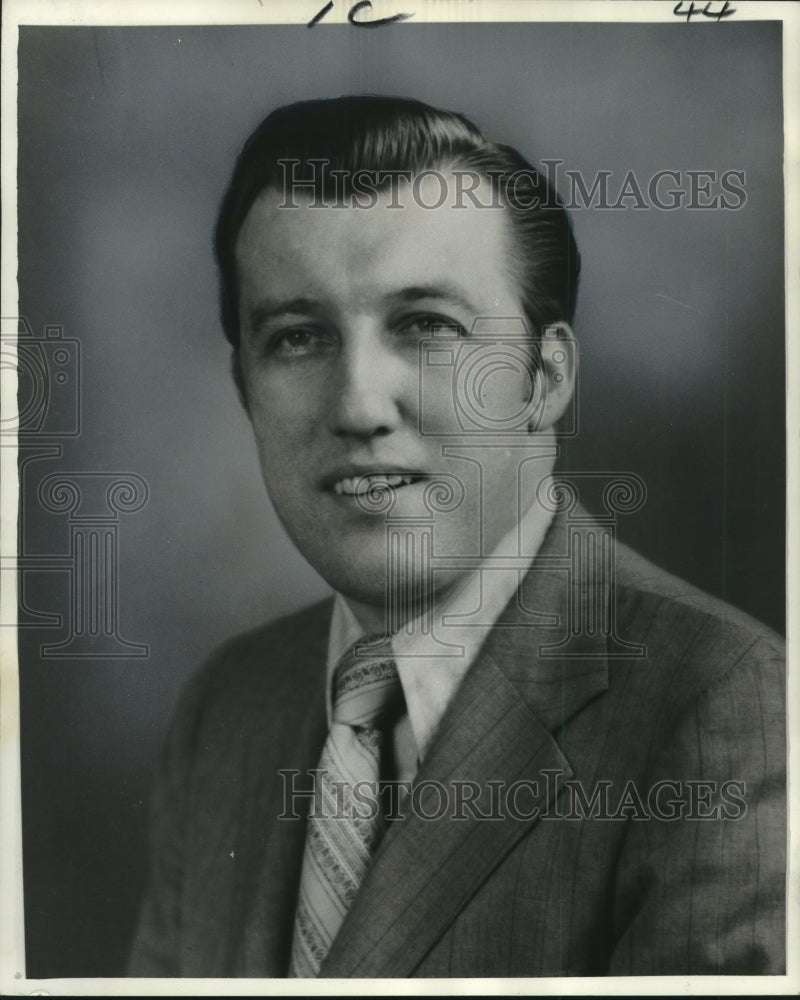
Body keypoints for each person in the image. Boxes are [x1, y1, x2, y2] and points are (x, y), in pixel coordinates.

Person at [128, 96, 785, 978]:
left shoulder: (722, 708)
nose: (359, 405)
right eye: (297, 337)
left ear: (543, 379)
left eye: (426, 325)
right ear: (244, 384)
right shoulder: (228, 707)